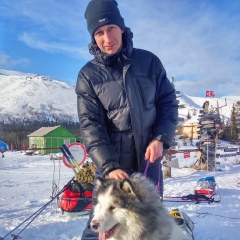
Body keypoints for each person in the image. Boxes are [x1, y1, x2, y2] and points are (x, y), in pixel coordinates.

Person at [75, 0, 178, 239]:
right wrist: (109, 166)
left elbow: (168, 105)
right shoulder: (88, 76)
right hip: (111, 167)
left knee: (148, 225)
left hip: (147, 165)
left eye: (111, 28)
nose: (107, 38)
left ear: (121, 28)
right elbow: (91, 125)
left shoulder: (149, 62)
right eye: (99, 32)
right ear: (93, 38)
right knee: (100, 226)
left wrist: (161, 138)